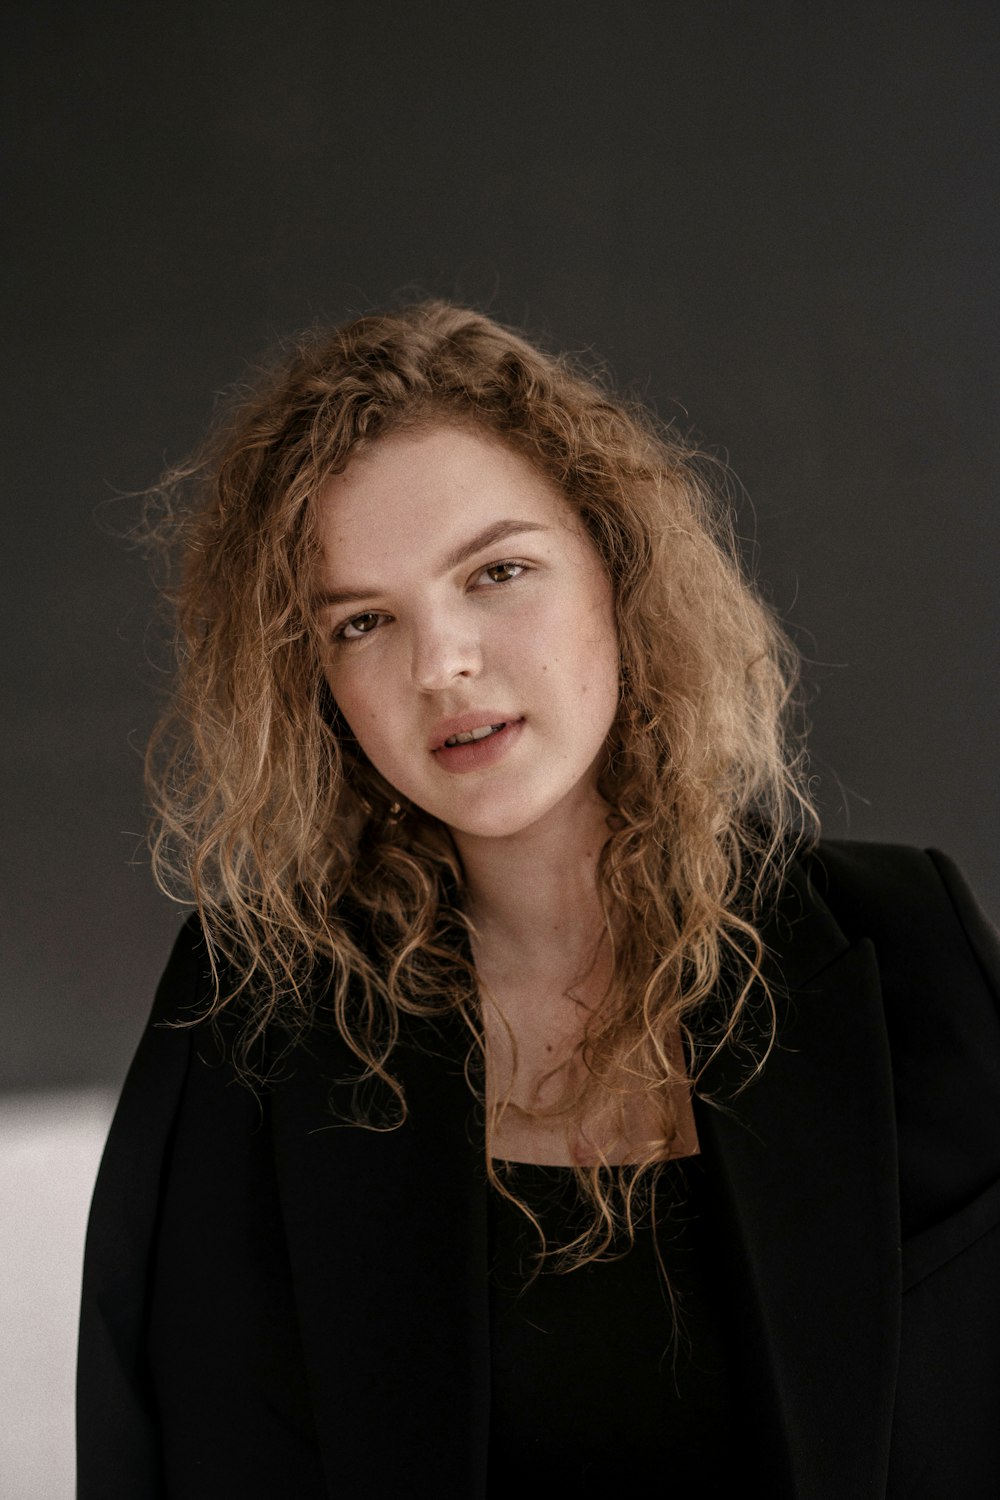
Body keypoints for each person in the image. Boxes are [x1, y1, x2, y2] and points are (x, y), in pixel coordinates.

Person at [78, 302, 1000, 1499]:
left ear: (616, 571)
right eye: (364, 621)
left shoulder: (901, 944)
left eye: (497, 573)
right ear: (316, 684)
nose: (441, 662)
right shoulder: (246, 1017)